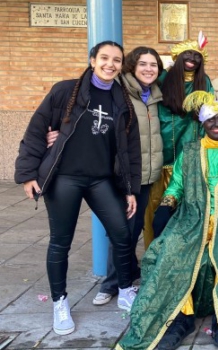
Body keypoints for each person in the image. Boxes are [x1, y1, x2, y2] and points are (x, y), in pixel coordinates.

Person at [117, 93, 218, 350]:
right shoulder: (190, 151)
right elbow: (177, 184)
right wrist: (166, 205)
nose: (217, 123)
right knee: (171, 248)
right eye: (211, 119)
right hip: (192, 219)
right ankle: (181, 317)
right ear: (203, 124)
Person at [14, 41, 141, 335]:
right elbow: (37, 129)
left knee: (122, 233)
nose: (110, 64)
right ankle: (59, 302)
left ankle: (124, 290)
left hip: (101, 180)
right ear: (92, 60)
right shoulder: (65, 92)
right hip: (65, 179)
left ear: (122, 66)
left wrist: (129, 188)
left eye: (117, 60)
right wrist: (27, 174)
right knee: (61, 242)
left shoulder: (122, 101)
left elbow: (129, 150)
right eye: (105, 58)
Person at [93, 46, 165, 306]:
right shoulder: (119, 94)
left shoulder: (155, 96)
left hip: (147, 176)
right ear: (132, 67)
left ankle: (128, 275)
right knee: (120, 231)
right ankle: (111, 283)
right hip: (123, 178)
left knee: (132, 231)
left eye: (153, 65)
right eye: (143, 64)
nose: (148, 69)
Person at [143, 34, 214, 248]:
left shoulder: (205, 82)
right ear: (179, 55)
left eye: (197, 55)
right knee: (156, 207)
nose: (192, 58)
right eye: (188, 53)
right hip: (162, 154)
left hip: (189, 158)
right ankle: (155, 252)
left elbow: (209, 118)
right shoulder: (163, 78)